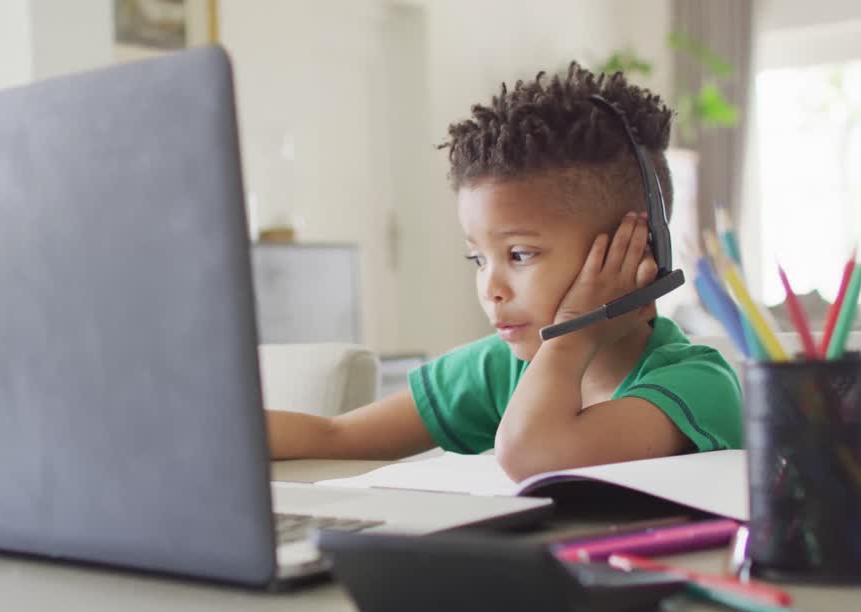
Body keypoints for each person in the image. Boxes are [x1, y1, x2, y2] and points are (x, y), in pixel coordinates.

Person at [265, 63, 743, 481]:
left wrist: (573, 335)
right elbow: (336, 435)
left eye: (519, 255)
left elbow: (532, 453)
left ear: (639, 250)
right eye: (478, 259)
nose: (490, 288)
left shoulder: (697, 385)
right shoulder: (503, 368)